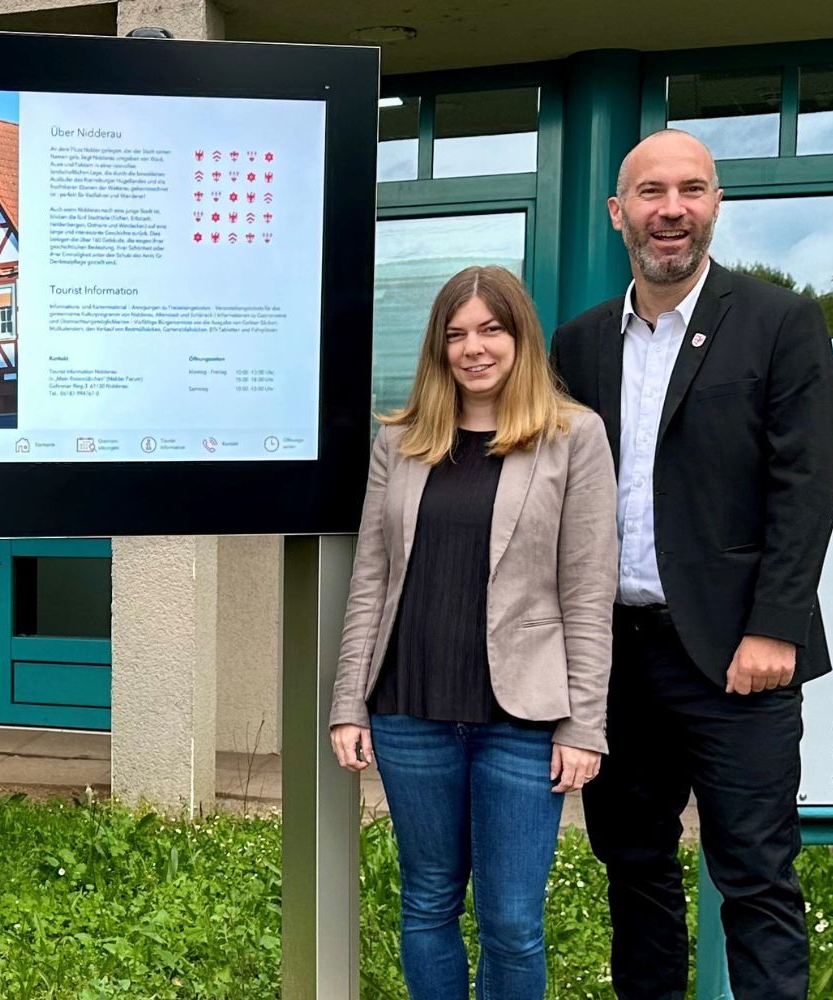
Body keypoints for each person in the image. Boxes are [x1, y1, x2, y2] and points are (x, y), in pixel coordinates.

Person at [552, 129, 833, 1000]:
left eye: (689, 191)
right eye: (650, 193)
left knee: (756, 879)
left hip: (738, 661)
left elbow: (806, 483)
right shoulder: (580, 344)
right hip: (617, 661)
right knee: (634, 872)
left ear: (715, 204)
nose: (669, 210)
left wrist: (772, 628)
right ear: (618, 213)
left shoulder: (779, 323)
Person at [329, 265, 617, 999]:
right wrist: (348, 704)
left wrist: (584, 724)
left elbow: (588, 592)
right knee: (426, 900)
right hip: (409, 709)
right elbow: (370, 578)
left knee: (512, 920)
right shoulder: (399, 442)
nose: (474, 348)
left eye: (491, 329)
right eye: (456, 334)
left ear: (520, 335)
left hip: (522, 720)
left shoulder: (573, 437)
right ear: (438, 348)